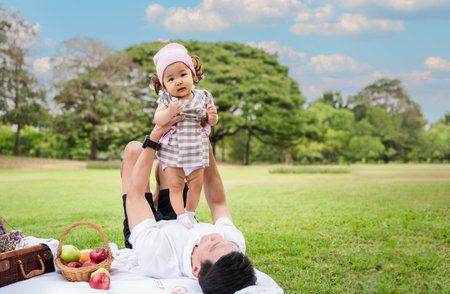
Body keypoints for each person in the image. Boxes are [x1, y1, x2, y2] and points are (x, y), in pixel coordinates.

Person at [120, 116, 256, 294]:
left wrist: (154, 137)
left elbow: (135, 196)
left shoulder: (156, 256)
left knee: (134, 150)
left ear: (196, 269)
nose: (217, 235)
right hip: (179, 217)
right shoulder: (233, 245)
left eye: (213, 245)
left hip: (152, 231)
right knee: (169, 159)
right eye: (226, 241)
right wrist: (205, 146)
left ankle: (156, 197)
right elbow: (218, 202)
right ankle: (161, 190)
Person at [151, 43, 218, 229]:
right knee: (176, 185)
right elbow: (158, 119)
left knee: (196, 185)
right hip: (173, 151)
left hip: (196, 150)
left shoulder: (203, 96)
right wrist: (169, 111)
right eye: (171, 79)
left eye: (183, 74)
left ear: (193, 75)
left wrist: (212, 117)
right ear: (164, 84)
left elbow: (210, 122)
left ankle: (190, 212)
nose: (178, 81)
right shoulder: (166, 99)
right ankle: (180, 216)